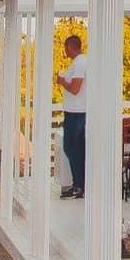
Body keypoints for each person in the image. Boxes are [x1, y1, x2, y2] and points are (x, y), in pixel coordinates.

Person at [56, 35, 87, 198]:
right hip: (74, 112)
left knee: (71, 148)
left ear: (70, 46)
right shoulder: (78, 62)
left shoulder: (80, 63)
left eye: (65, 47)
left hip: (77, 113)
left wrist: (62, 81)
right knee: (77, 149)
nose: (65, 51)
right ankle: (79, 184)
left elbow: (75, 88)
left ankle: (79, 185)